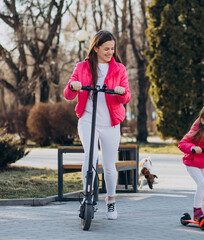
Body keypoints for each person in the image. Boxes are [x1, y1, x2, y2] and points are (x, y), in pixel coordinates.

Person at [63, 30, 131, 220]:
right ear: (96, 48)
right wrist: (72, 86)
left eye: (112, 48)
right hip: (87, 119)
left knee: (109, 165)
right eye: (106, 48)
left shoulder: (119, 69)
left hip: (110, 122)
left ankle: (111, 201)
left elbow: (127, 96)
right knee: (90, 157)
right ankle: (87, 195)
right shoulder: (82, 67)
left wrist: (120, 92)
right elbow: (67, 94)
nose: (110, 52)